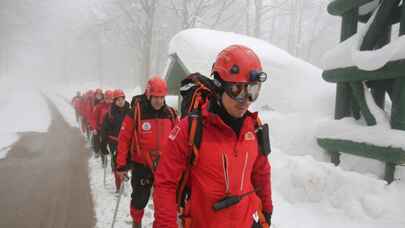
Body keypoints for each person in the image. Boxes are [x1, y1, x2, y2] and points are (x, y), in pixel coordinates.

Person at [153, 45, 273, 228]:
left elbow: (261, 172)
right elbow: (165, 183)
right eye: (237, 90)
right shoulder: (191, 128)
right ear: (219, 86)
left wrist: (267, 211)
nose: (245, 100)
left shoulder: (254, 127)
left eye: (253, 90)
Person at [116, 76, 178, 228]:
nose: (158, 101)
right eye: (155, 97)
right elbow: (124, 139)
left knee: (164, 204)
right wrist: (121, 165)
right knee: (139, 199)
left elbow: (178, 141)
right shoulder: (136, 112)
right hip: (141, 165)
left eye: (162, 97)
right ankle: (136, 223)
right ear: (148, 95)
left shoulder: (170, 114)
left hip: (163, 167)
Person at [100, 89, 130, 192]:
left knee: (128, 161)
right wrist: (103, 144)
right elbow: (104, 129)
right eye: (118, 100)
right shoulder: (110, 114)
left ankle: (125, 175)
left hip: (128, 142)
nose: (120, 101)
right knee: (118, 164)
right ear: (114, 101)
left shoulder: (130, 111)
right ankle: (119, 186)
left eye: (122, 99)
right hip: (114, 142)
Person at [90, 90, 113, 160]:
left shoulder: (115, 106)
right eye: (107, 98)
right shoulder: (99, 106)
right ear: (104, 98)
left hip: (112, 129)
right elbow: (94, 118)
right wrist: (94, 128)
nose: (109, 100)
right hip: (101, 128)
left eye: (110, 98)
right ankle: (99, 154)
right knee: (99, 141)